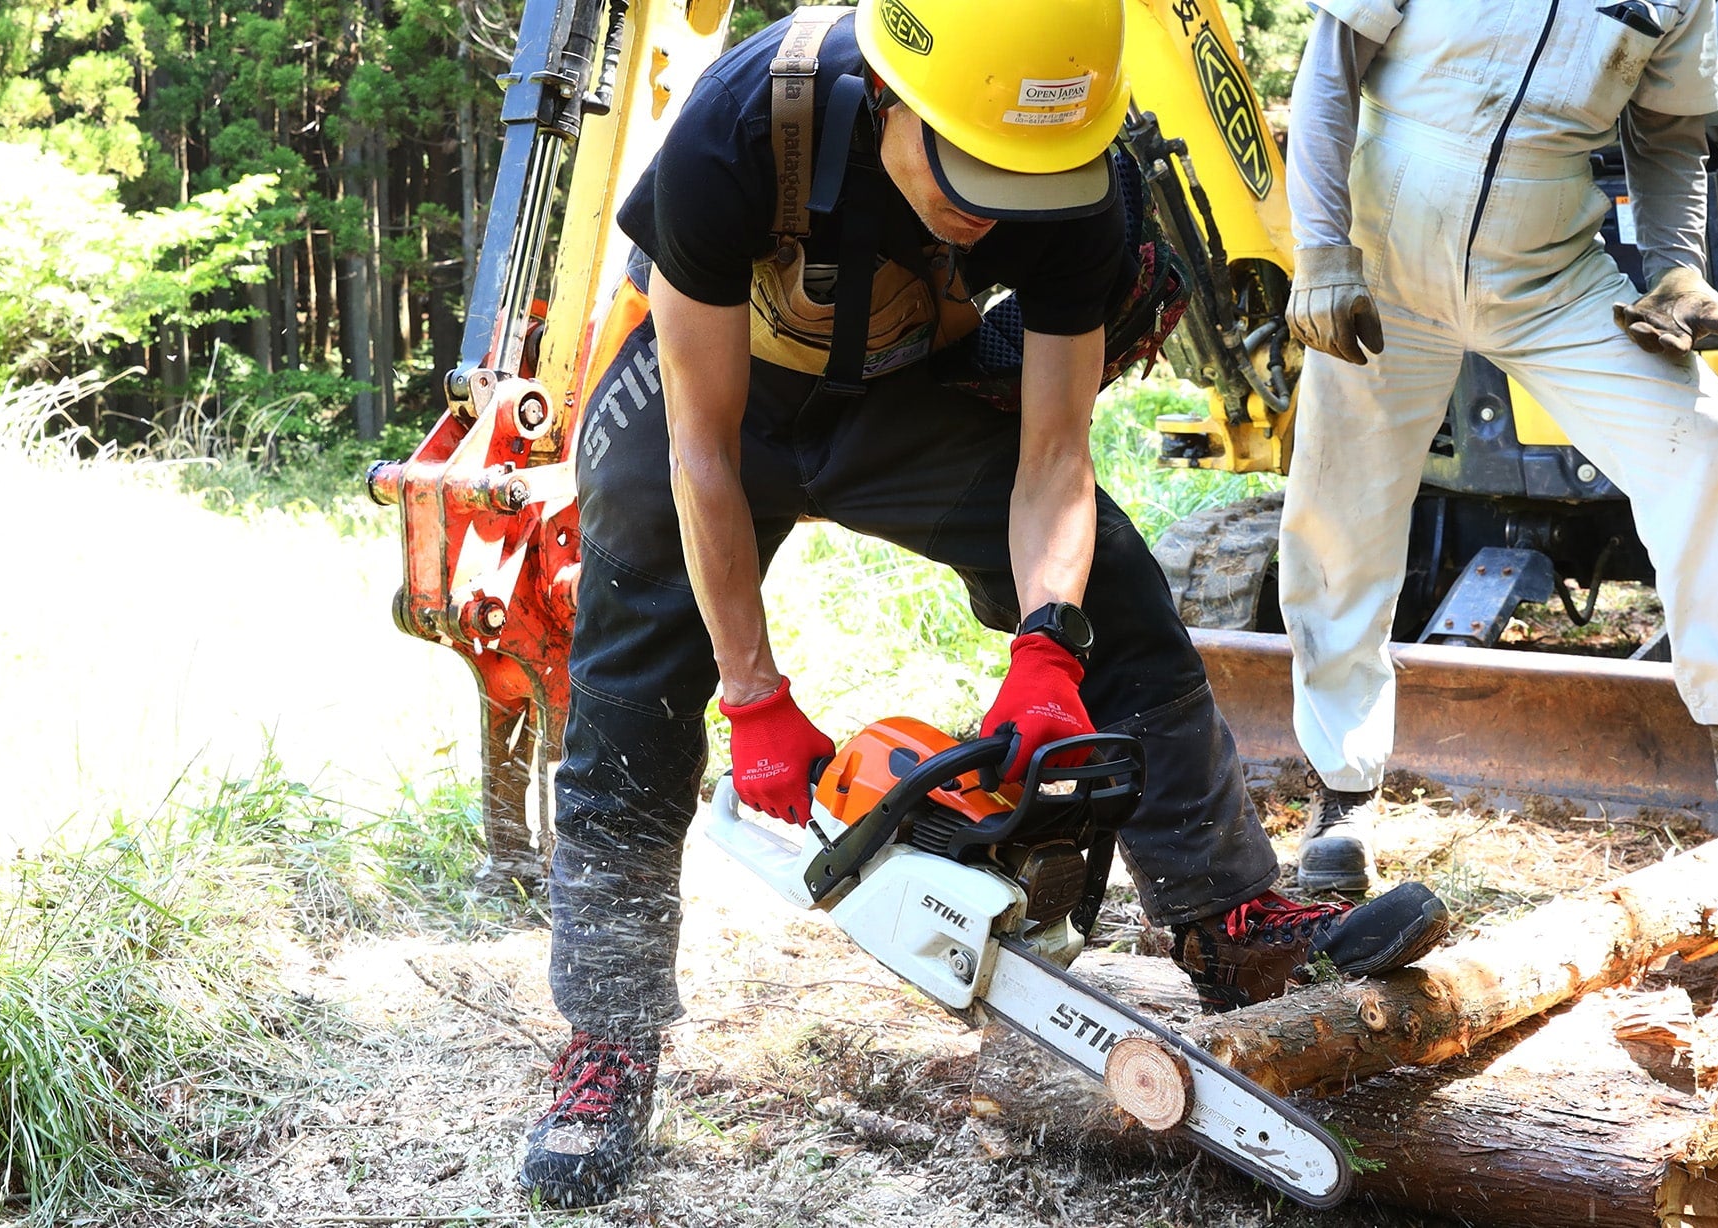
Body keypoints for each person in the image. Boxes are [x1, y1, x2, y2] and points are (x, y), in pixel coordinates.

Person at [520, 0, 1451, 1207]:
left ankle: (1232, 921)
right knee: (629, 701)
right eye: (966, 172)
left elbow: (1056, 454)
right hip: (714, 395)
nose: (989, 207)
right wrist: (753, 697)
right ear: (895, 100)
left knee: (1110, 582)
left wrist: (1049, 649)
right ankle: (607, 1037)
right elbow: (703, 453)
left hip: (896, 384)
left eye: (1025, 184)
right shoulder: (743, 128)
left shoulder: (1078, 191)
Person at [1278, 0, 1718, 895]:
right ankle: (1341, 793)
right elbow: (1328, 79)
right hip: (1383, 260)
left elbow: (1667, 133)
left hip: (1548, 275)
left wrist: (1674, 265)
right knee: (1343, 518)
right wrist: (1322, 252)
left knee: (1711, 444)